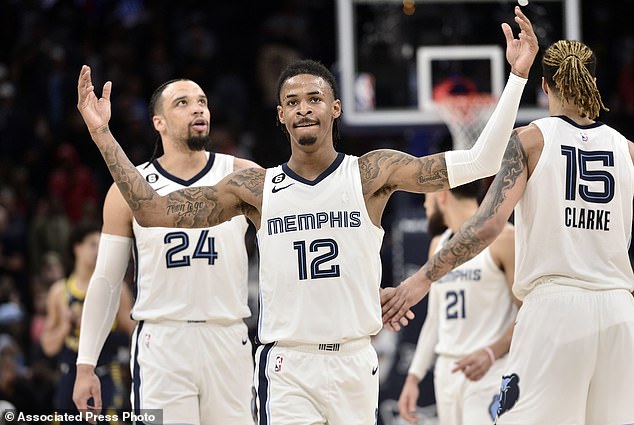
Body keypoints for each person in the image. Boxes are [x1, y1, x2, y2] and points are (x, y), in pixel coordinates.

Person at [76, 7, 537, 424]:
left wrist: (516, 78)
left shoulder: (372, 172)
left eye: (313, 99)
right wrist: (103, 135)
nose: (303, 109)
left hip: (355, 359)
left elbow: (480, 162)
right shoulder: (254, 187)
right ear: (280, 116)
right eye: (292, 103)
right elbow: (154, 209)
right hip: (287, 366)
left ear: (335, 107)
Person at [383, 39, 634, 425]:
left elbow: (488, 225)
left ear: (545, 86)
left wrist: (421, 279)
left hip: (557, 310)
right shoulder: (628, 150)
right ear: (594, 82)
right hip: (619, 311)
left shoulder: (530, 140)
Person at [72, 78, 260, 424]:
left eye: (202, 101)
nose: (198, 108)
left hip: (228, 336)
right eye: (183, 103)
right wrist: (86, 365)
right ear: (158, 122)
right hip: (163, 341)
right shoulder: (128, 188)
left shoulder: (243, 175)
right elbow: (107, 281)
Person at [398, 181, 518, 425]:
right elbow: (434, 319)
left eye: (426, 195)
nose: (424, 203)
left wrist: (491, 353)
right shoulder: (437, 245)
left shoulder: (504, 238)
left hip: (489, 370)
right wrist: (413, 377)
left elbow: (528, 312)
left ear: (442, 195)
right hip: (447, 372)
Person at [40, 222, 135, 422]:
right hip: (69, 376)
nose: (99, 251)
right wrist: (65, 326)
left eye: (101, 245)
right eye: (93, 245)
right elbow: (48, 347)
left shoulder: (117, 290)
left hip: (106, 374)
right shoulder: (60, 291)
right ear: (77, 247)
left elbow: (135, 331)